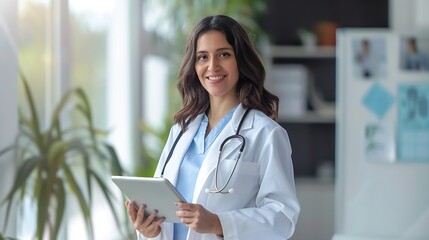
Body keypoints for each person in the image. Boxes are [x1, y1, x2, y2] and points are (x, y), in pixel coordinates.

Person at [125, 15, 300, 240]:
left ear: (241, 60)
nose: (212, 66)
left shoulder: (266, 134)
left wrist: (219, 223)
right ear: (194, 65)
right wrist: (149, 231)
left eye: (224, 54)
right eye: (202, 57)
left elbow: (283, 219)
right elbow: (165, 216)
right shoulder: (181, 131)